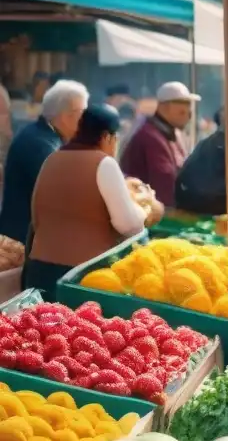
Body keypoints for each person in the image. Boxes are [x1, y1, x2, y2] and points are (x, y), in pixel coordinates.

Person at [25, 105, 162, 299]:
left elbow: (36, 216)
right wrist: (146, 207)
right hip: (80, 277)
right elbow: (129, 225)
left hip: (39, 271)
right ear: (107, 137)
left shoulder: (52, 159)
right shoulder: (104, 163)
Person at [0, 80, 88, 244]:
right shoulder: (40, 144)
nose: (86, 120)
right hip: (22, 243)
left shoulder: (46, 135)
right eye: (83, 113)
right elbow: (63, 195)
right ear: (65, 116)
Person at [119, 82, 199, 208]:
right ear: (165, 108)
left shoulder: (170, 133)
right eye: (182, 111)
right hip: (150, 213)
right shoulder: (150, 137)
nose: (188, 115)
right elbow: (164, 183)